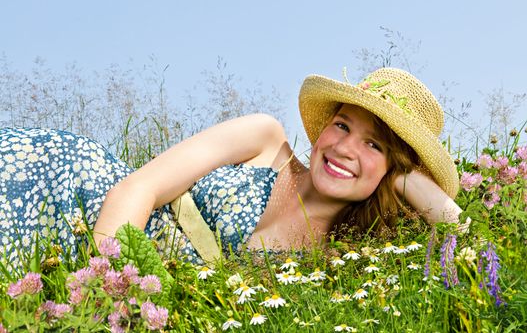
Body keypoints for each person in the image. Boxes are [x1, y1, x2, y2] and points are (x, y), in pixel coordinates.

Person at [0, 67, 462, 270]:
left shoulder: (345, 260)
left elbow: (461, 233)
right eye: (341, 124)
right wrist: (107, 286)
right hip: (75, 191)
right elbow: (140, 186)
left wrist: (407, 179)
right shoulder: (264, 140)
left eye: (373, 145)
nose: (344, 148)